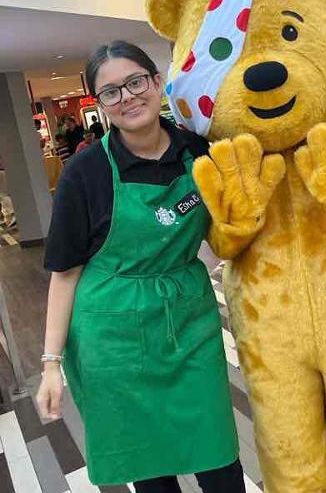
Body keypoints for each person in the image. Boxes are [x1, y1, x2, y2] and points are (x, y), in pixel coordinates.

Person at [36, 41, 245, 493]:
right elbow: (65, 273)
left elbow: (233, 230)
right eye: (110, 92)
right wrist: (51, 364)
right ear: (99, 104)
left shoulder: (201, 152)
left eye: (135, 82)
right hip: (112, 337)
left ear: (155, 82)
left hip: (188, 322)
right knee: (149, 467)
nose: (127, 97)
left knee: (218, 456)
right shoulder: (86, 172)